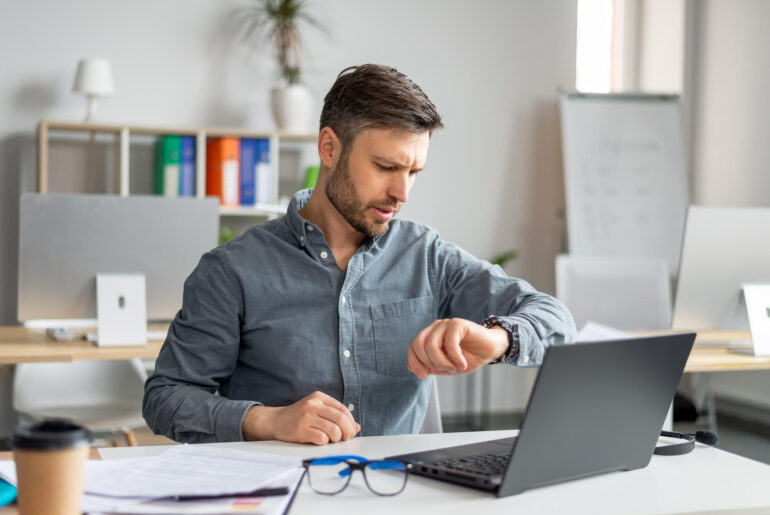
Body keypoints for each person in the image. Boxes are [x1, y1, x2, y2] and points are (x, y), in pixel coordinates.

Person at [143, 64, 576, 445]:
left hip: (404, 495)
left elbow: (556, 320)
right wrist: (269, 420)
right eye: (386, 167)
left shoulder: (426, 255)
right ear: (329, 148)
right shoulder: (232, 270)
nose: (401, 193)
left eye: (413, 172)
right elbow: (166, 396)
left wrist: (498, 338)